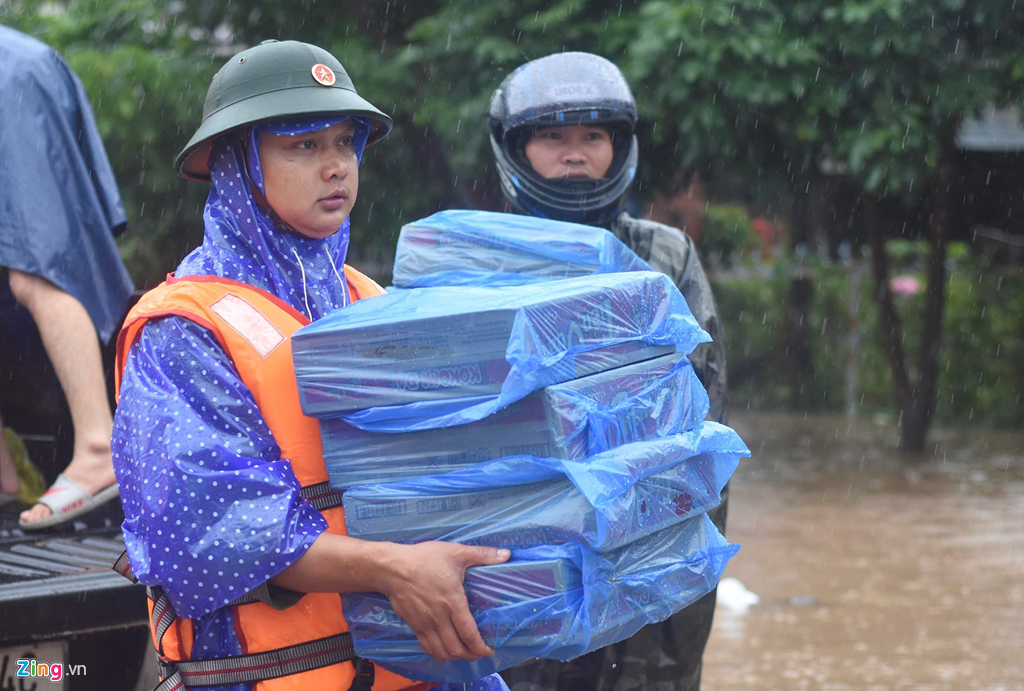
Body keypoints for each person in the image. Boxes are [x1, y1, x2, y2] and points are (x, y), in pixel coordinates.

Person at [112, 39, 510, 691]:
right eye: (303, 145)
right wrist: (394, 569)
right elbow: (216, 532)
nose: (336, 167)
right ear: (237, 163)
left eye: (344, 143)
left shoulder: (371, 300)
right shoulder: (183, 329)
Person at [487, 52, 729, 691]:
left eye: (593, 136)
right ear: (517, 149)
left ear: (619, 147)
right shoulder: (483, 258)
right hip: (522, 542)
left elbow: (698, 405)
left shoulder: (661, 253)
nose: (575, 154)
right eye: (552, 136)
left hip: (648, 528)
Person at [0, 26, 134, 529]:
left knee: (36, 262)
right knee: (30, 258)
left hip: (9, 80)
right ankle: (4, 473)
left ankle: (98, 444)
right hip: (19, 73)